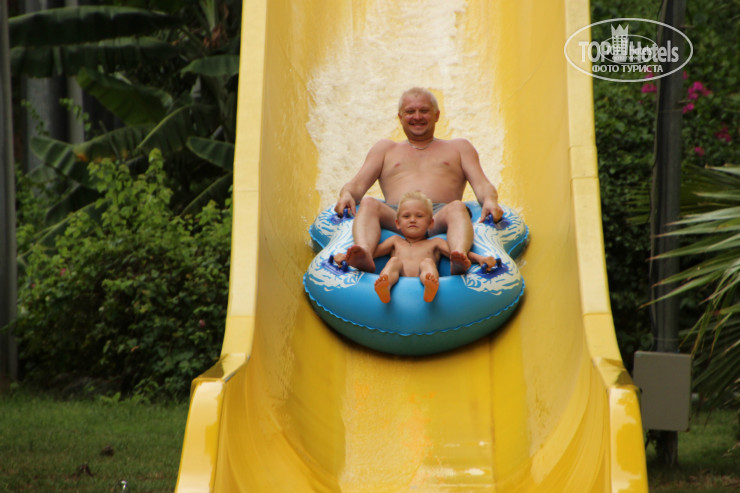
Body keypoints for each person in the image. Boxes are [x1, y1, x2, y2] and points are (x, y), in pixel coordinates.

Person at [334, 86, 504, 275]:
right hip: (398, 215)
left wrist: (490, 200)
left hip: (439, 215)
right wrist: (346, 194)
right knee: (368, 203)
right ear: (400, 117)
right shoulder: (385, 149)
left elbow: (482, 184)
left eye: (424, 111)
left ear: (437, 115)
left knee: (457, 207)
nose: (417, 117)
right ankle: (364, 252)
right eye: (410, 112)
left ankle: (458, 256)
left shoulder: (459, 148)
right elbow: (357, 184)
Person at [334, 192, 499, 303]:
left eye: (419, 216)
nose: (412, 220)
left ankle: (430, 284)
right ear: (397, 223)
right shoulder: (394, 241)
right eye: (406, 216)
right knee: (394, 262)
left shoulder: (434, 243)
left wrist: (480, 259)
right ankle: (385, 285)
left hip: (423, 274)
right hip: (398, 274)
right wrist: (348, 258)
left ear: (431, 223)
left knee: (427, 263)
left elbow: (458, 255)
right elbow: (371, 254)